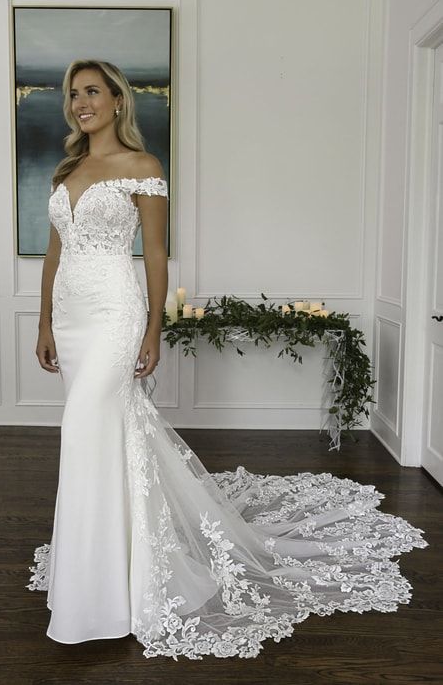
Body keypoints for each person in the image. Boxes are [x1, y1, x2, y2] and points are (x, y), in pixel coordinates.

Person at [27, 59, 428, 660]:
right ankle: (102, 568)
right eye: (72, 94)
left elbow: (157, 257)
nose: (80, 103)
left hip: (114, 315)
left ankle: (107, 588)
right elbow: (53, 257)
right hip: (71, 320)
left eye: (91, 92)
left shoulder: (142, 167)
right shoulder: (67, 171)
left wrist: (153, 331)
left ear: (117, 100)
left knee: (83, 431)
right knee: (101, 437)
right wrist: (42, 322)